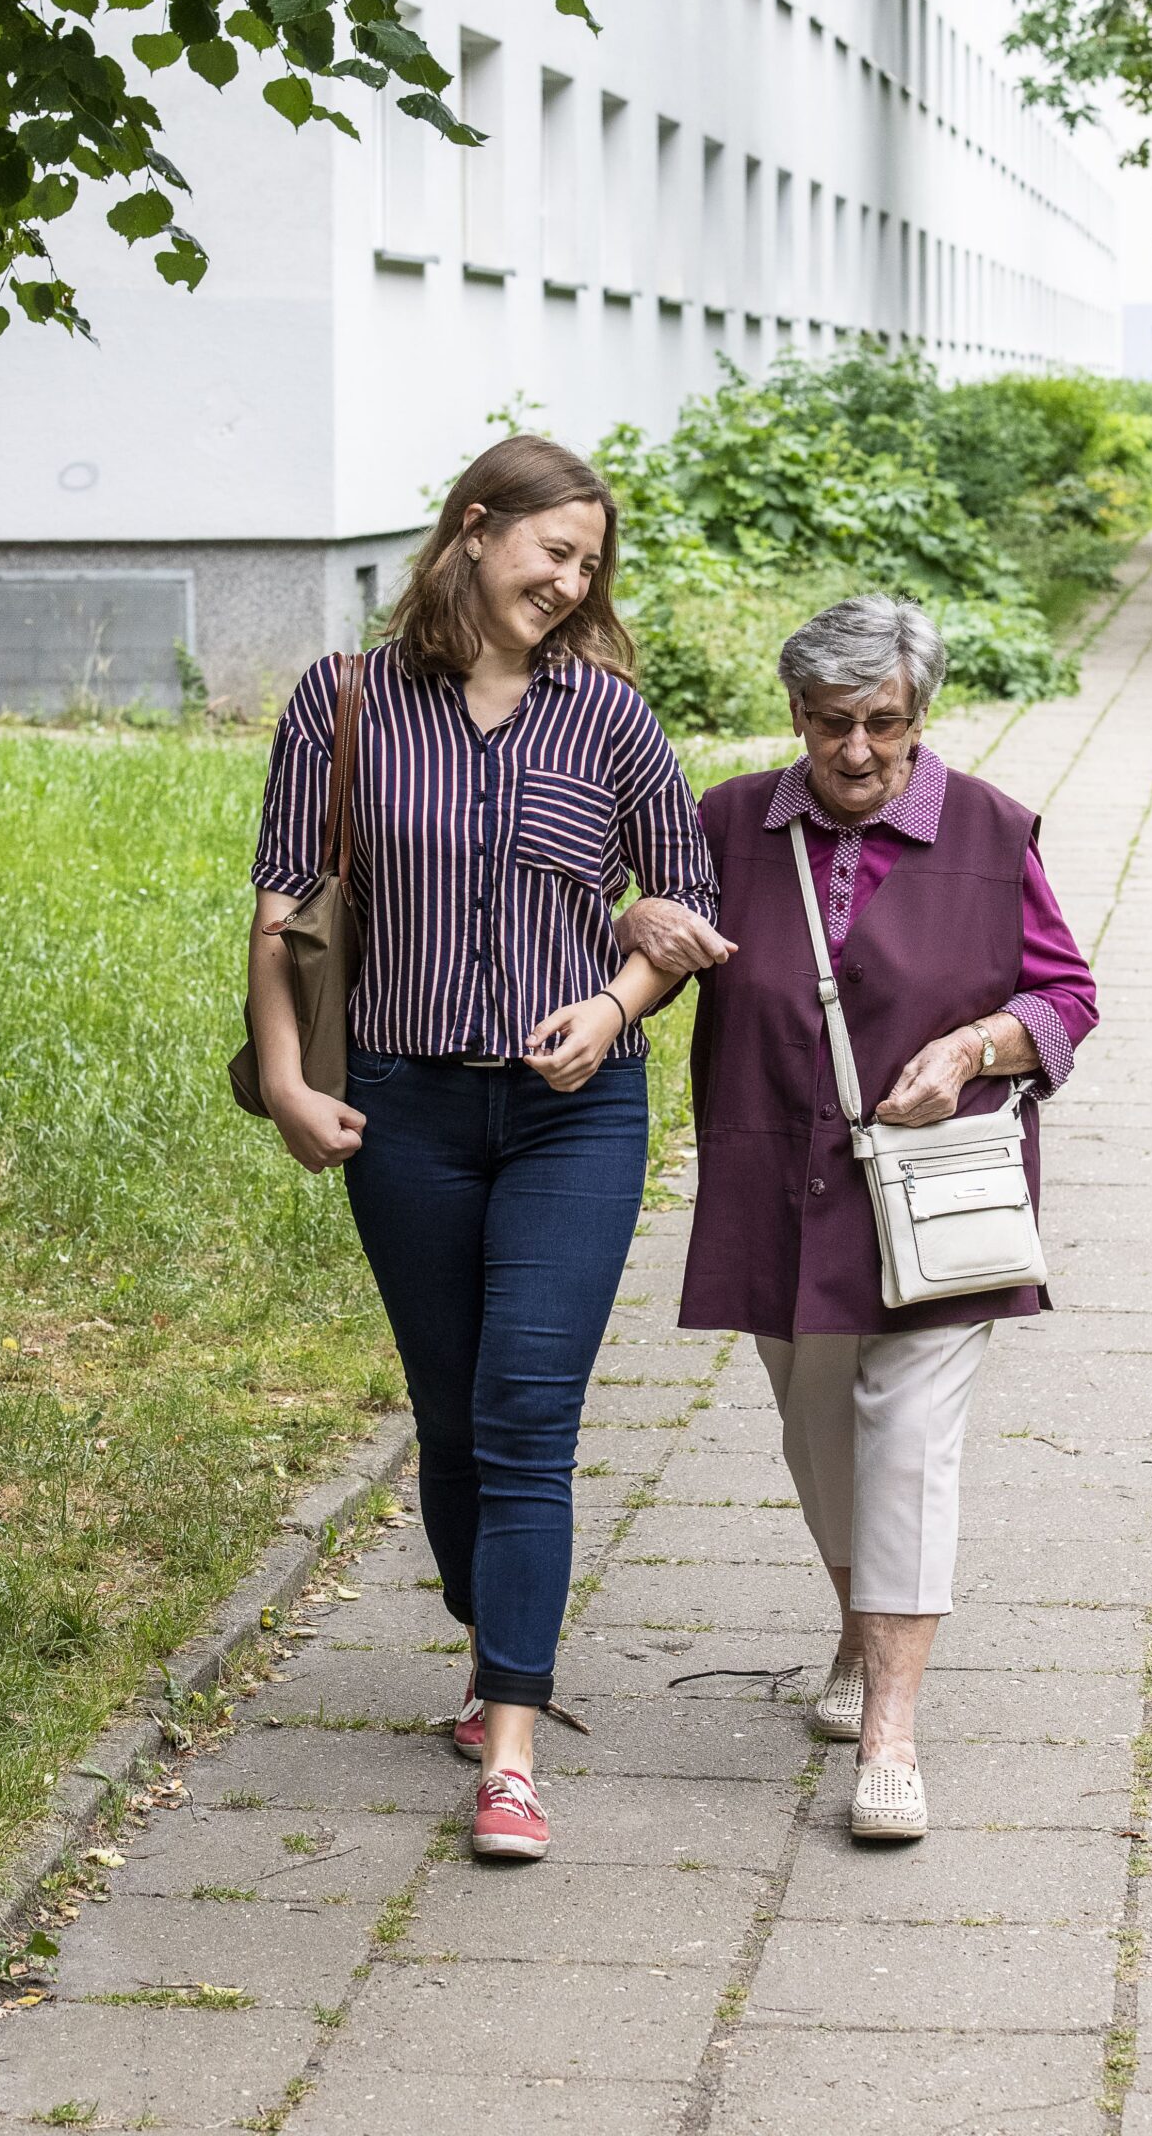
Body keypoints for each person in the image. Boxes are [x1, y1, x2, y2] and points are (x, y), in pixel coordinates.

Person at [248, 436, 716, 1863]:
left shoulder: (611, 720)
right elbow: (284, 906)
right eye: (551, 554)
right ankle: (492, 1632)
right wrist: (282, 1083)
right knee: (449, 1416)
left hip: (576, 1112)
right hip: (403, 1107)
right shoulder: (339, 703)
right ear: (472, 531)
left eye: (589, 565)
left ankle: (509, 1741)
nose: (569, 585)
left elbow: (682, 898)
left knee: (526, 1419)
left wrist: (618, 996)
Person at [618, 594, 1097, 1842]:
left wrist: (976, 1045)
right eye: (830, 723)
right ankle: (853, 1624)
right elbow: (657, 955)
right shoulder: (725, 820)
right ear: (793, 714)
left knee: (909, 1437)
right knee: (817, 1432)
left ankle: (890, 1732)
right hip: (778, 1178)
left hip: (939, 1191)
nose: (855, 751)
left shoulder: (991, 832)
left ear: (917, 715)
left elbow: (1063, 997)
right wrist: (634, 922)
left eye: (882, 723)